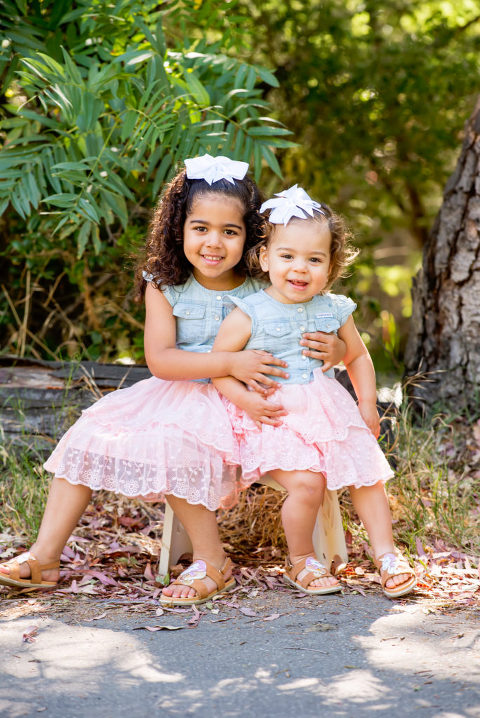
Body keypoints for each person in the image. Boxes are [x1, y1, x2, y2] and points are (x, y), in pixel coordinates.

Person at [0, 158, 346, 599]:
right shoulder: (164, 284)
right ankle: (45, 555)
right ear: (177, 228)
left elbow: (318, 327)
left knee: (175, 443)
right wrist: (229, 362)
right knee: (88, 434)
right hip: (181, 391)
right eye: (200, 228)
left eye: (230, 231)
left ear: (253, 237)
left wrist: (335, 349)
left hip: (249, 404)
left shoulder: (268, 282)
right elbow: (161, 360)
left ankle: (211, 561)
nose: (214, 243)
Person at [212, 185, 416, 599]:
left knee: (368, 475)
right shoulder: (250, 311)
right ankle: (302, 559)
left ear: (330, 266)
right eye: (287, 256)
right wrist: (246, 400)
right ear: (266, 258)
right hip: (273, 416)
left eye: (314, 259)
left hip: (327, 410)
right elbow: (219, 368)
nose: (299, 269)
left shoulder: (333, 309)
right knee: (308, 483)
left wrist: (366, 404)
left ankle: (387, 556)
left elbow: (357, 357)